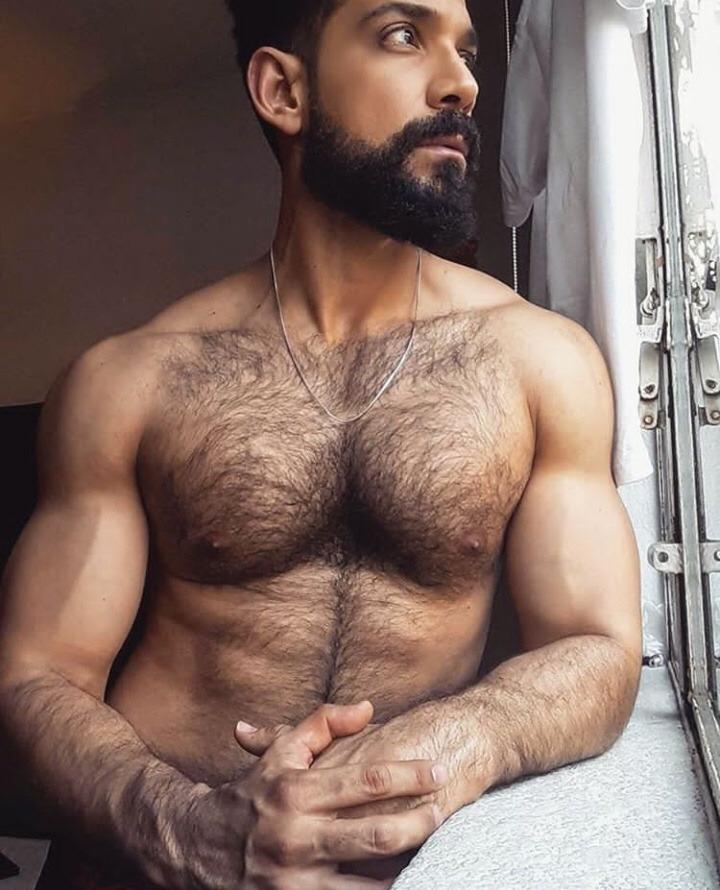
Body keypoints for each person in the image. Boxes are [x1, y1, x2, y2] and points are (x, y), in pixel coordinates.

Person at [0, 0, 643, 888]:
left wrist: (458, 740)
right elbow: (36, 675)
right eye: (403, 35)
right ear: (283, 90)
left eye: (464, 50)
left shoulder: (541, 362)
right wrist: (183, 828)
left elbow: (598, 645)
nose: (461, 83)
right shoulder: (129, 381)